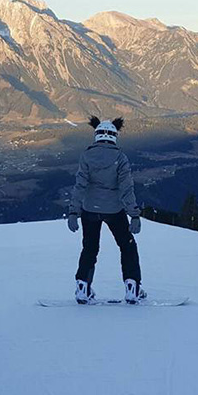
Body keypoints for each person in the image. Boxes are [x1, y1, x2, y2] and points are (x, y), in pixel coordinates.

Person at [67, 117, 145, 304]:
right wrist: (134, 215)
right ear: (114, 136)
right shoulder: (120, 158)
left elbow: (80, 186)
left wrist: (73, 212)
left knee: (89, 248)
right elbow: (126, 189)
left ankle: (82, 287)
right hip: (114, 210)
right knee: (127, 246)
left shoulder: (86, 156)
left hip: (89, 210)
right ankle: (132, 287)